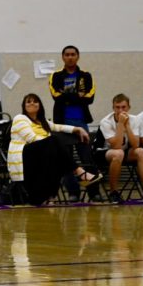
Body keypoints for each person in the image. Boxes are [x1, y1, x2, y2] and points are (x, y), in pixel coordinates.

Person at [7, 93, 101, 206]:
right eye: (29, 101)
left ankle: (49, 195)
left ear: (40, 106)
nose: (32, 103)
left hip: (39, 156)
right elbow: (32, 139)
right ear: (24, 106)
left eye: (35, 101)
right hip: (24, 156)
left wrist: (77, 129)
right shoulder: (20, 118)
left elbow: (58, 127)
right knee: (54, 141)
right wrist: (50, 144)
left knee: (56, 149)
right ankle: (79, 172)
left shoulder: (43, 121)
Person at [48, 45, 99, 201]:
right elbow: (56, 95)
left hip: (81, 122)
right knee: (66, 160)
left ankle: (94, 192)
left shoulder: (86, 76)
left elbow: (90, 97)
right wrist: (78, 95)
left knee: (87, 159)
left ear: (78, 56)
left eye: (73, 54)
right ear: (63, 57)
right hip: (62, 124)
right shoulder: (55, 76)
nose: (70, 57)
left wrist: (68, 95)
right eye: (67, 54)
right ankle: (73, 192)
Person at [97, 94, 143, 203]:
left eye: (123, 107)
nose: (120, 110)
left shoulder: (135, 120)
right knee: (118, 153)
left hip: (123, 152)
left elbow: (135, 145)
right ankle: (113, 192)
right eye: (117, 107)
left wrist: (127, 126)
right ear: (113, 108)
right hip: (103, 152)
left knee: (140, 151)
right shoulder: (106, 121)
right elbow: (116, 145)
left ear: (128, 108)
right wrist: (120, 124)